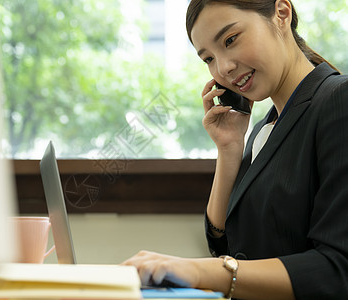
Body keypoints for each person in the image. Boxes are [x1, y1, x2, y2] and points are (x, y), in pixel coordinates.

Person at [122, 0, 348, 299]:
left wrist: (200, 270)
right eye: (208, 59)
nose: (223, 68)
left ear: (281, 13)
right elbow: (226, 247)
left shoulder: (338, 100)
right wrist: (229, 150)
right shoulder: (263, 131)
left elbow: (337, 268)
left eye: (230, 40)